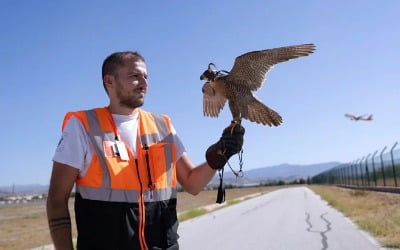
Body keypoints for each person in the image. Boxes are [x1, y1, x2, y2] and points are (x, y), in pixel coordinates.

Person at [46, 51, 244, 250]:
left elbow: (192, 183)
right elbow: (56, 200)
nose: (144, 83)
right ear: (109, 81)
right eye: (135, 76)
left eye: (146, 77)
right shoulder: (83, 126)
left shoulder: (163, 126)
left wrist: (220, 154)